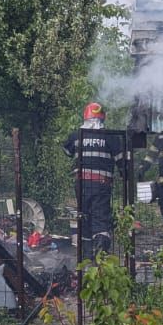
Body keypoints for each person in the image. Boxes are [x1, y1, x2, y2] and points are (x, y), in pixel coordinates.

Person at [62, 103, 124, 261]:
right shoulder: (111, 137)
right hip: (101, 185)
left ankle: (86, 254)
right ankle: (100, 253)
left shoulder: (76, 135)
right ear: (103, 118)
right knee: (100, 217)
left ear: (85, 116)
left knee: (84, 216)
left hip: (81, 184)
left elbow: (67, 151)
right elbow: (122, 162)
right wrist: (126, 176)